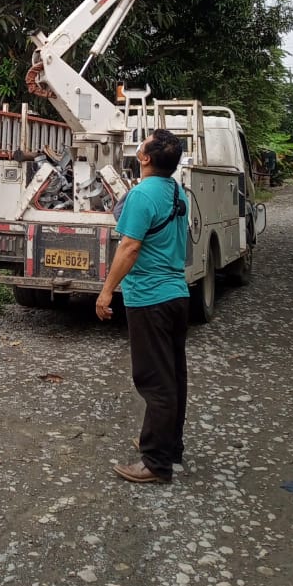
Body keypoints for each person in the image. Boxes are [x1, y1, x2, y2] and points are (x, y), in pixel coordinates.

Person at [96, 128, 189, 484]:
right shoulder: (177, 191)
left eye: (144, 142)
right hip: (177, 294)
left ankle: (155, 463)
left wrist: (106, 292)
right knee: (173, 377)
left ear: (146, 158)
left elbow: (130, 247)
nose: (139, 145)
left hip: (150, 298)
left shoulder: (141, 195)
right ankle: (169, 446)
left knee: (154, 380)